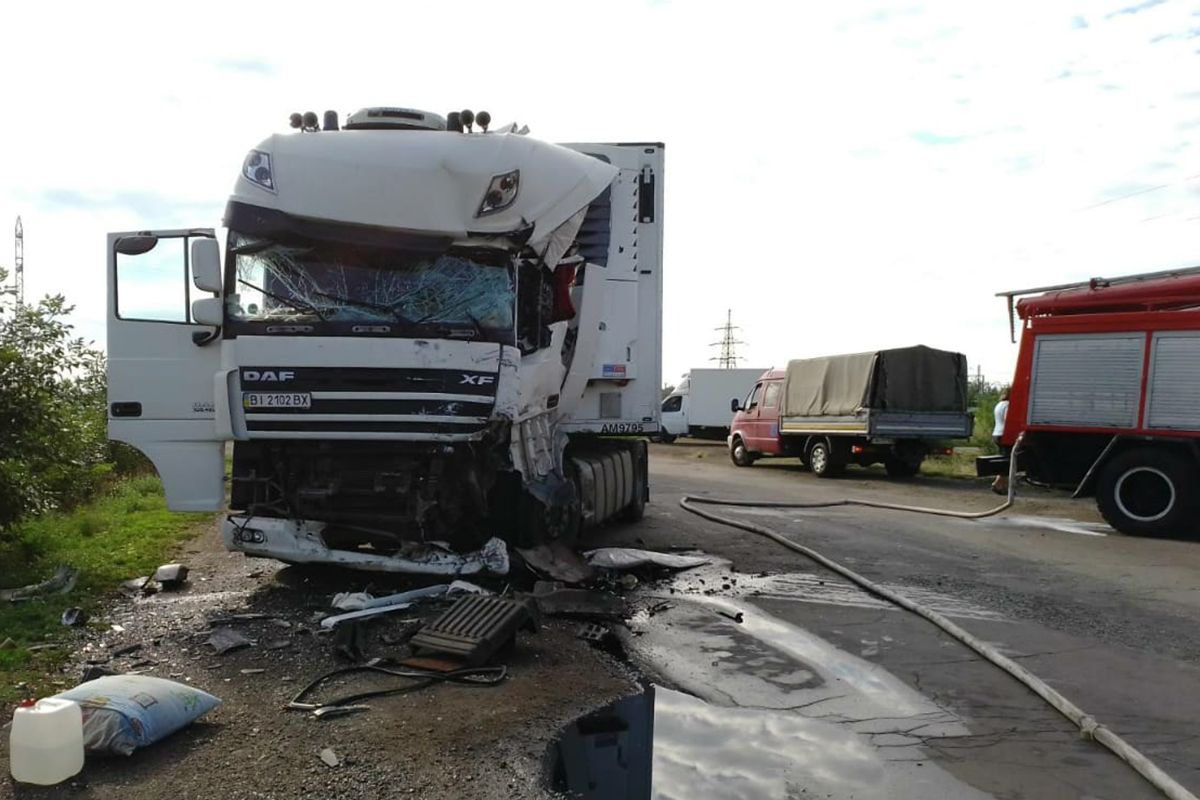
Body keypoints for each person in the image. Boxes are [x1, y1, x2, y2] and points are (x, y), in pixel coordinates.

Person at [991, 390, 1011, 494]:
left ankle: (1004, 486)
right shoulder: (1008, 405)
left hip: (996, 433)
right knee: (1008, 462)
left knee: (1004, 460)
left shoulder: (999, 404)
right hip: (1004, 434)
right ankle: (997, 483)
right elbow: (1007, 419)